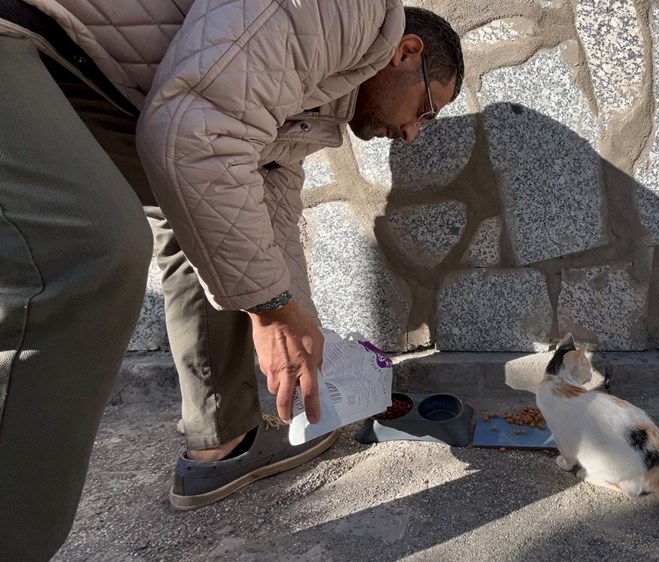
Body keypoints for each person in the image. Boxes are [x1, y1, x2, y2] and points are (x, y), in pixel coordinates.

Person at [0, 0, 463, 558]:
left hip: (79, 75)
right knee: (93, 251)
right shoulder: (350, 13)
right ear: (406, 52)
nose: (413, 133)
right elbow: (193, 133)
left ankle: (223, 441)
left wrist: (297, 317)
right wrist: (271, 309)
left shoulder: (322, 102)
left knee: (219, 227)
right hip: (21, 33)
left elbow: (268, 211)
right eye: (428, 108)